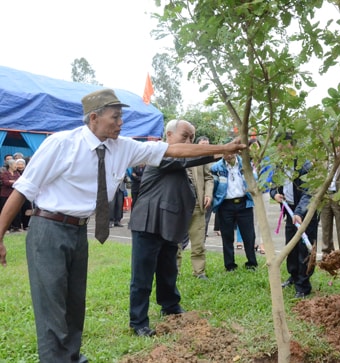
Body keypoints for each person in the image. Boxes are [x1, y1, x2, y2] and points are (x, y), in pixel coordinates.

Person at [0, 88, 245, 362]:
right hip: (49, 230)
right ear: (94, 118)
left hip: (79, 231)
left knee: (74, 302)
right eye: (115, 117)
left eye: (121, 117)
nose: (121, 123)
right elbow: (22, 190)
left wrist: (224, 148)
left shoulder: (122, 147)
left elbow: (173, 149)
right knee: (51, 306)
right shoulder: (61, 144)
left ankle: (71, 356)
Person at [128, 119, 222, 337]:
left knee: (168, 269)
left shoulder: (178, 158)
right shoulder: (160, 155)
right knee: (142, 276)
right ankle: (139, 322)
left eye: (192, 137)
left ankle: (170, 306)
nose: (189, 141)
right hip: (148, 223)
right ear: (168, 136)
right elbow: (188, 159)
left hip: (168, 223)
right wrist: (221, 150)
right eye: (185, 136)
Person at [270, 132, 318, 298]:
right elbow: (274, 186)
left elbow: (309, 192)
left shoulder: (305, 166)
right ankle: (293, 275)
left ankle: (303, 286)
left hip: (305, 213)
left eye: (285, 145)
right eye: (279, 146)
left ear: (293, 146)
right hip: (289, 211)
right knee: (290, 246)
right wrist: (274, 194)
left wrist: (299, 212)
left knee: (304, 249)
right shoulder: (280, 165)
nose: (281, 149)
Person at [211, 151, 257, 271]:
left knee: (249, 235)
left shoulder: (245, 164)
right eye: (225, 153)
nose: (228, 155)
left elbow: (254, 179)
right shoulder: (216, 168)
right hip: (225, 205)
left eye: (231, 152)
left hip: (244, 203)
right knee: (227, 236)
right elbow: (214, 186)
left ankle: (252, 263)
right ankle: (230, 265)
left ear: (236, 153)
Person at [177, 141, 214, 279]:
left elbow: (208, 177)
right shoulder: (171, 153)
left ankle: (199, 272)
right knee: (175, 242)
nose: (188, 138)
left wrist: (208, 194)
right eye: (185, 136)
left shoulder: (198, 154)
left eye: (191, 136)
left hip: (197, 203)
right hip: (177, 206)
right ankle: (174, 271)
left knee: (198, 241)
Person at [0, 159, 22, 232]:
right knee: (5, 211)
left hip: (14, 194)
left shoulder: (17, 173)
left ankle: (16, 226)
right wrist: (14, 182)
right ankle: (7, 228)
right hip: (5, 195)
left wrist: (12, 182)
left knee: (16, 211)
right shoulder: (5, 173)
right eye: (15, 164)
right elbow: (6, 182)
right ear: (10, 165)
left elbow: (20, 182)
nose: (16, 166)